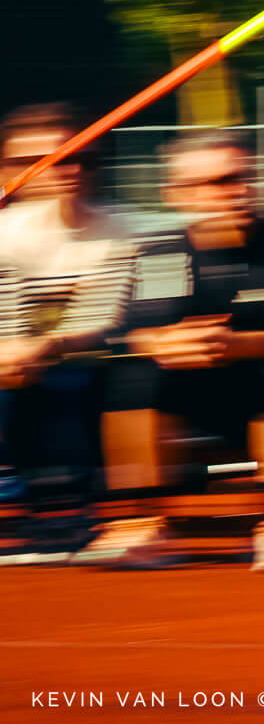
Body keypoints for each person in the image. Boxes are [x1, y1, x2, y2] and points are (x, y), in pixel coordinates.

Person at [79, 129, 264, 571]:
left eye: (244, 177)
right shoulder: (161, 254)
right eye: (218, 182)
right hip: (188, 394)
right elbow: (134, 329)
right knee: (131, 372)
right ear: (178, 194)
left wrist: (231, 344)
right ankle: (140, 522)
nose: (238, 191)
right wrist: (164, 343)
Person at [0, 104, 136, 561]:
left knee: (73, 381)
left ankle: (61, 509)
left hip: (78, 363)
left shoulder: (119, 231)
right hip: (12, 362)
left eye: (78, 158)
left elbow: (105, 319)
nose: (65, 171)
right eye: (38, 162)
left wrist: (41, 347)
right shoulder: (5, 234)